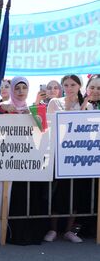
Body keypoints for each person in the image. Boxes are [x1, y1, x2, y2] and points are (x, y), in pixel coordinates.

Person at [45, 74, 85, 243]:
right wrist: (68, 108)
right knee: (57, 192)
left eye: (73, 85)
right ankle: (53, 229)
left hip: (78, 157)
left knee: (75, 192)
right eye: (66, 85)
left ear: (79, 86)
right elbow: (52, 126)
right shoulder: (55, 102)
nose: (69, 88)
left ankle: (69, 230)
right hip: (58, 154)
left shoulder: (86, 104)